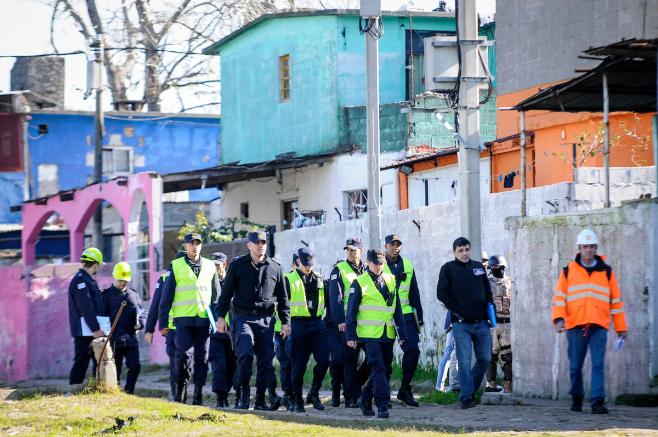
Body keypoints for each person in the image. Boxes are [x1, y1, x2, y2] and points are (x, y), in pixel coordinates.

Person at [552, 228, 628, 414]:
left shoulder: (606, 272)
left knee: (597, 364)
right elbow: (560, 297)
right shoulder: (568, 271)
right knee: (575, 366)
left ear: (596, 248)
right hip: (575, 326)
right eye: (585, 246)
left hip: (598, 326)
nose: (588, 250)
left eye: (591, 247)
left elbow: (616, 302)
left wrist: (621, 327)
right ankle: (577, 397)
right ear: (579, 248)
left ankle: (597, 401)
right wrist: (559, 318)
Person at [216, 231, 291, 411]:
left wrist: (286, 322)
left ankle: (259, 400)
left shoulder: (275, 267)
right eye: (257, 242)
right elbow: (225, 295)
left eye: (263, 242)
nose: (261, 245)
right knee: (245, 354)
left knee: (266, 361)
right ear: (249, 245)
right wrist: (220, 317)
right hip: (244, 318)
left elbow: (283, 298)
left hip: (266, 320)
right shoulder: (237, 265)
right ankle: (243, 395)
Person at [159, 233, 221, 405]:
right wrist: (163, 323)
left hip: (203, 320)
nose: (195, 247)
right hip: (183, 320)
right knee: (183, 357)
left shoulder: (209, 266)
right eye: (191, 244)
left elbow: (217, 296)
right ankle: (180, 393)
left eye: (198, 243)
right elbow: (166, 296)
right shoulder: (176, 265)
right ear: (185, 246)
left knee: (202, 359)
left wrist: (219, 319)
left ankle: (198, 395)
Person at [346, 248, 407, 419]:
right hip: (368, 334)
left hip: (387, 333)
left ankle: (365, 398)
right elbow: (351, 312)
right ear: (368, 263)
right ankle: (382, 405)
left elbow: (397, 309)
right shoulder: (359, 282)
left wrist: (402, 333)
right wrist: (350, 336)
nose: (379, 266)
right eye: (376, 263)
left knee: (385, 369)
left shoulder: (390, 279)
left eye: (382, 263)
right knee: (378, 367)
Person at [436, 237, 493, 409]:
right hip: (461, 324)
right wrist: (458, 311)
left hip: (482, 322)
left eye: (467, 249)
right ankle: (466, 397)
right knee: (464, 360)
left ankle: (470, 389)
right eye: (460, 250)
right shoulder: (448, 269)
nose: (464, 253)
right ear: (454, 252)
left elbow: (487, 290)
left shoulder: (478, 267)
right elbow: (442, 294)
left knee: (485, 358)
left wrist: (490, 311)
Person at [286, 247, 330, 412]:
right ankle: (298, 400)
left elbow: (326, 300)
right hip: (299, 325)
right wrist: (286, 324)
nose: (308, 267)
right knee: (299, 366)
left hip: (317, 324)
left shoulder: (319, 278)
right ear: (298, 262)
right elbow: (282, 305)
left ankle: (314, 392)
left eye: (310, 264)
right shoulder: (288, 279)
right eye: (305, 264)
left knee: (324, 360)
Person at [383, 234, 424, 407]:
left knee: (413, 351)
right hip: (384, 316)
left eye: (398, 244)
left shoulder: (407, 264)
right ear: (386, 246)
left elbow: (414, 292)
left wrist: (419, 317)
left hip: (406, 315)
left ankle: (405, 389)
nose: (395, 247)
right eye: (392, 244)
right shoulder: (379, 264)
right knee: (384, 357)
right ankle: (382, 392)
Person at [327, 236, 365, 408]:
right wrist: (341, 321)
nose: (351, 252)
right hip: (347, 323)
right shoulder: (339, 269)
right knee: (347, 361)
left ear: (361, 251)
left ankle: (354, 389)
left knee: (373, 359)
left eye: (354, 250)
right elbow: (336, 298)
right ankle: (349, 397)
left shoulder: (367, 269)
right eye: (348, 250)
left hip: (366, 322)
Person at [145, 251, 186, 400]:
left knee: (185, 362)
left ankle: (181, 393)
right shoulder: (164, 278)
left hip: (188, 327)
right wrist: (149, 329)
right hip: (172, 329)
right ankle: (177, 394)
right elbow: (155, 306)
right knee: (176, 361)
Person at [101, 261, 146, 394]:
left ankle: (129, 392)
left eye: (125, 281)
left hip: (131, 339)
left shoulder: (134, 294)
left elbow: (143, 312)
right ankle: (116, 393)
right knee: (116, 370)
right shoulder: (106, 296)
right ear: (115, 277)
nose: (122, 283)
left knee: (135, 366)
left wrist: (141, 323)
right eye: (120, 280)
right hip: (114, 340)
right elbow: (101, 318)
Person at [68, 247, 105, 386]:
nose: (98, 268)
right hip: (85, 331)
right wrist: (95, 329)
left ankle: (99, 388)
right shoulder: (80, 281)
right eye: (99, 265)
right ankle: (72, 390)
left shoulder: (88, 280)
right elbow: (86, 307)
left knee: (97, 360)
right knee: (81, 361)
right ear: (95, 264)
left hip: (90, 329)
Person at [208, 252, 237, 408]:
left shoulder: (232, 282)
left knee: (232, 365)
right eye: (212, 265)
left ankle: (230, 393)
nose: (215, 268)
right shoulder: (208, 284)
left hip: (232, 332)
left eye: (217, 265)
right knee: (219, 365)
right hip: (216, 332)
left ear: (224, 265)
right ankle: (221, 397)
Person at [268, 254, 297, 411]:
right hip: (281, 330)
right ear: (293, 264)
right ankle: (288, 395)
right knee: (285, 363)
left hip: (297, 329)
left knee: (295, 363)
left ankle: (293, 394)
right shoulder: (284, 279)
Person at [485, 255, 513, 393]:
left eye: (501, 268)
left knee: (508, 357)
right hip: (492, 324)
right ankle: (492, 385)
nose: (499, 270)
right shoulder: (487, 282)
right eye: (496, 268)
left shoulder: (510, 282)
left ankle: (508, 386)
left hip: (507, 324)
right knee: (490, 357)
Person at [435, 312, 459, 392]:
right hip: (458, 323)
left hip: (451, 323)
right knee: (453, 356)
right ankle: (453, 386)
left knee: (447, 356)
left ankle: (439, 386)